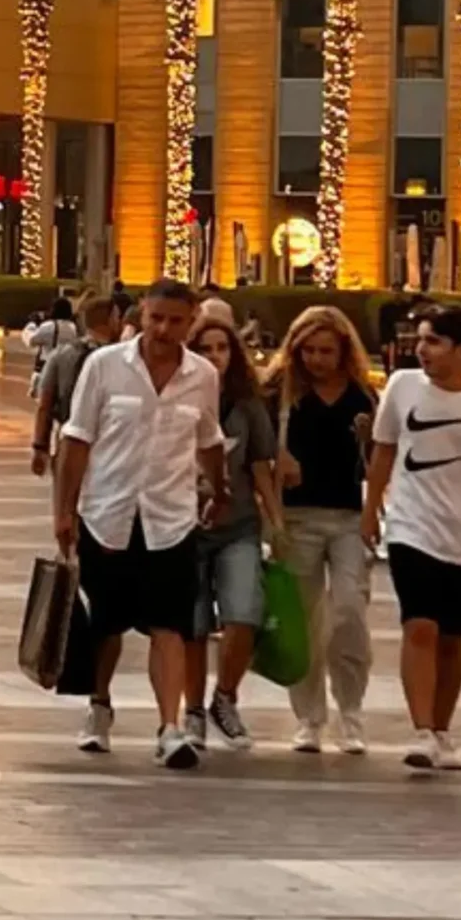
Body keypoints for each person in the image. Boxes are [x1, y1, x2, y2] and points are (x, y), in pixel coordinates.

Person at [53, 279, 228, 770]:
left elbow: (208, 438)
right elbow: (77, 439)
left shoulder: (202, 376)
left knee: (169, 624)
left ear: (191, 320)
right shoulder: (104, 366)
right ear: (140, 316)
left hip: (170, 518)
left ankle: (168, 727)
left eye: (175, 320)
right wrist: (63, 510)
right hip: (108, 513)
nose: (164, 329)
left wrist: (219, 488)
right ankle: (99, 707)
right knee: (107, 621)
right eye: (156, 318)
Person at [361, 302, 461, 773]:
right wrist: (372, 507)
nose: (423, 350)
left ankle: (441, 729)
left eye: (433, 341)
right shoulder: (403, 387)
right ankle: (419, 731)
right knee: (420, 625)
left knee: (452, 636)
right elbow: (385, 448)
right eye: (420, 340)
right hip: (411, 525)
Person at [268, 306, 377, 754]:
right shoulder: (280, 394)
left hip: (350, 517)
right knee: (305, 623)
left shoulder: (364, 397)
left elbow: (383, 455)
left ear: (344, 351)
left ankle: (350, 712)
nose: (316, 359)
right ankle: (309, 718)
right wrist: (279, 461)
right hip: (298, 517)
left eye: (326, 351)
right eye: (308, 350)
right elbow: (255, 447)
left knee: (350, 612)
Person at [183, 318, 282, 752]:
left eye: (222, 348)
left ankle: (225, 696)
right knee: (193, 624)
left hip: (238, 524)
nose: (215, 357)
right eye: (205, 348)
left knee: (244, 612)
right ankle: (192, 711)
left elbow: (261, 463)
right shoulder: (178, 397)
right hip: (184, 527)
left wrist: (275, 519)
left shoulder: (246, 405)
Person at [32, 292, 121, 479]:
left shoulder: (60, 355)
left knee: (65, 501)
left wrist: (40, 446)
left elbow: (44, 405)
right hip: (109, 447)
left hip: (67, 442)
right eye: (117, 317)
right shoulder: (119, 359)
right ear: (110, 320)